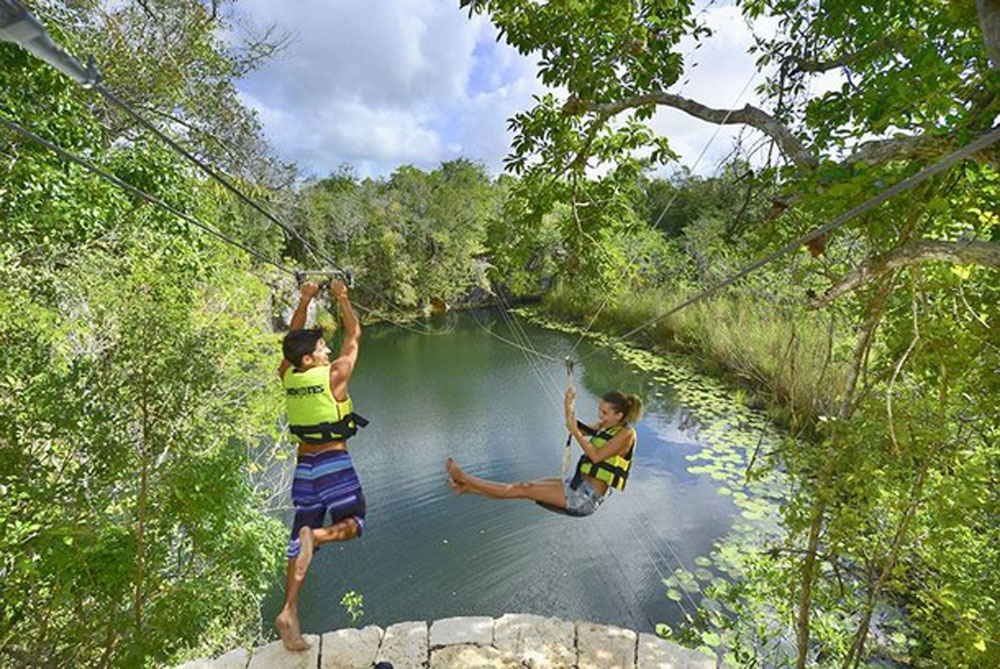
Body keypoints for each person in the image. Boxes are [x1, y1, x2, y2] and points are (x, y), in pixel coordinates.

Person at [274, 279, 368, 651]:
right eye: (320, 347)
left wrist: (306, 299)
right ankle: (319, 536)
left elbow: (292, 339)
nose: (327, 349)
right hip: (333, 464)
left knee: (298, 538)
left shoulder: (287, 373)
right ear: (310, 359)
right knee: (353, 525)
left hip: (304, 470)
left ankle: (289, 612)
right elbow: (355, 335)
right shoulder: (334, 377)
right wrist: (342, 298)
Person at [445, 385, 642, 517]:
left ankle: (464, 477)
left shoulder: (627, 434)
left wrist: (576, 432)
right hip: (576, 485)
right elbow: (573, 427)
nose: (600, 415)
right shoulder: (608, 426)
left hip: (584, 498)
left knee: (523, 489)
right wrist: (568, 404)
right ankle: (467, 488)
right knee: (523, 487)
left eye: (605, 413)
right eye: (600, 410)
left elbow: (596, 456)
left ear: (619, 415)